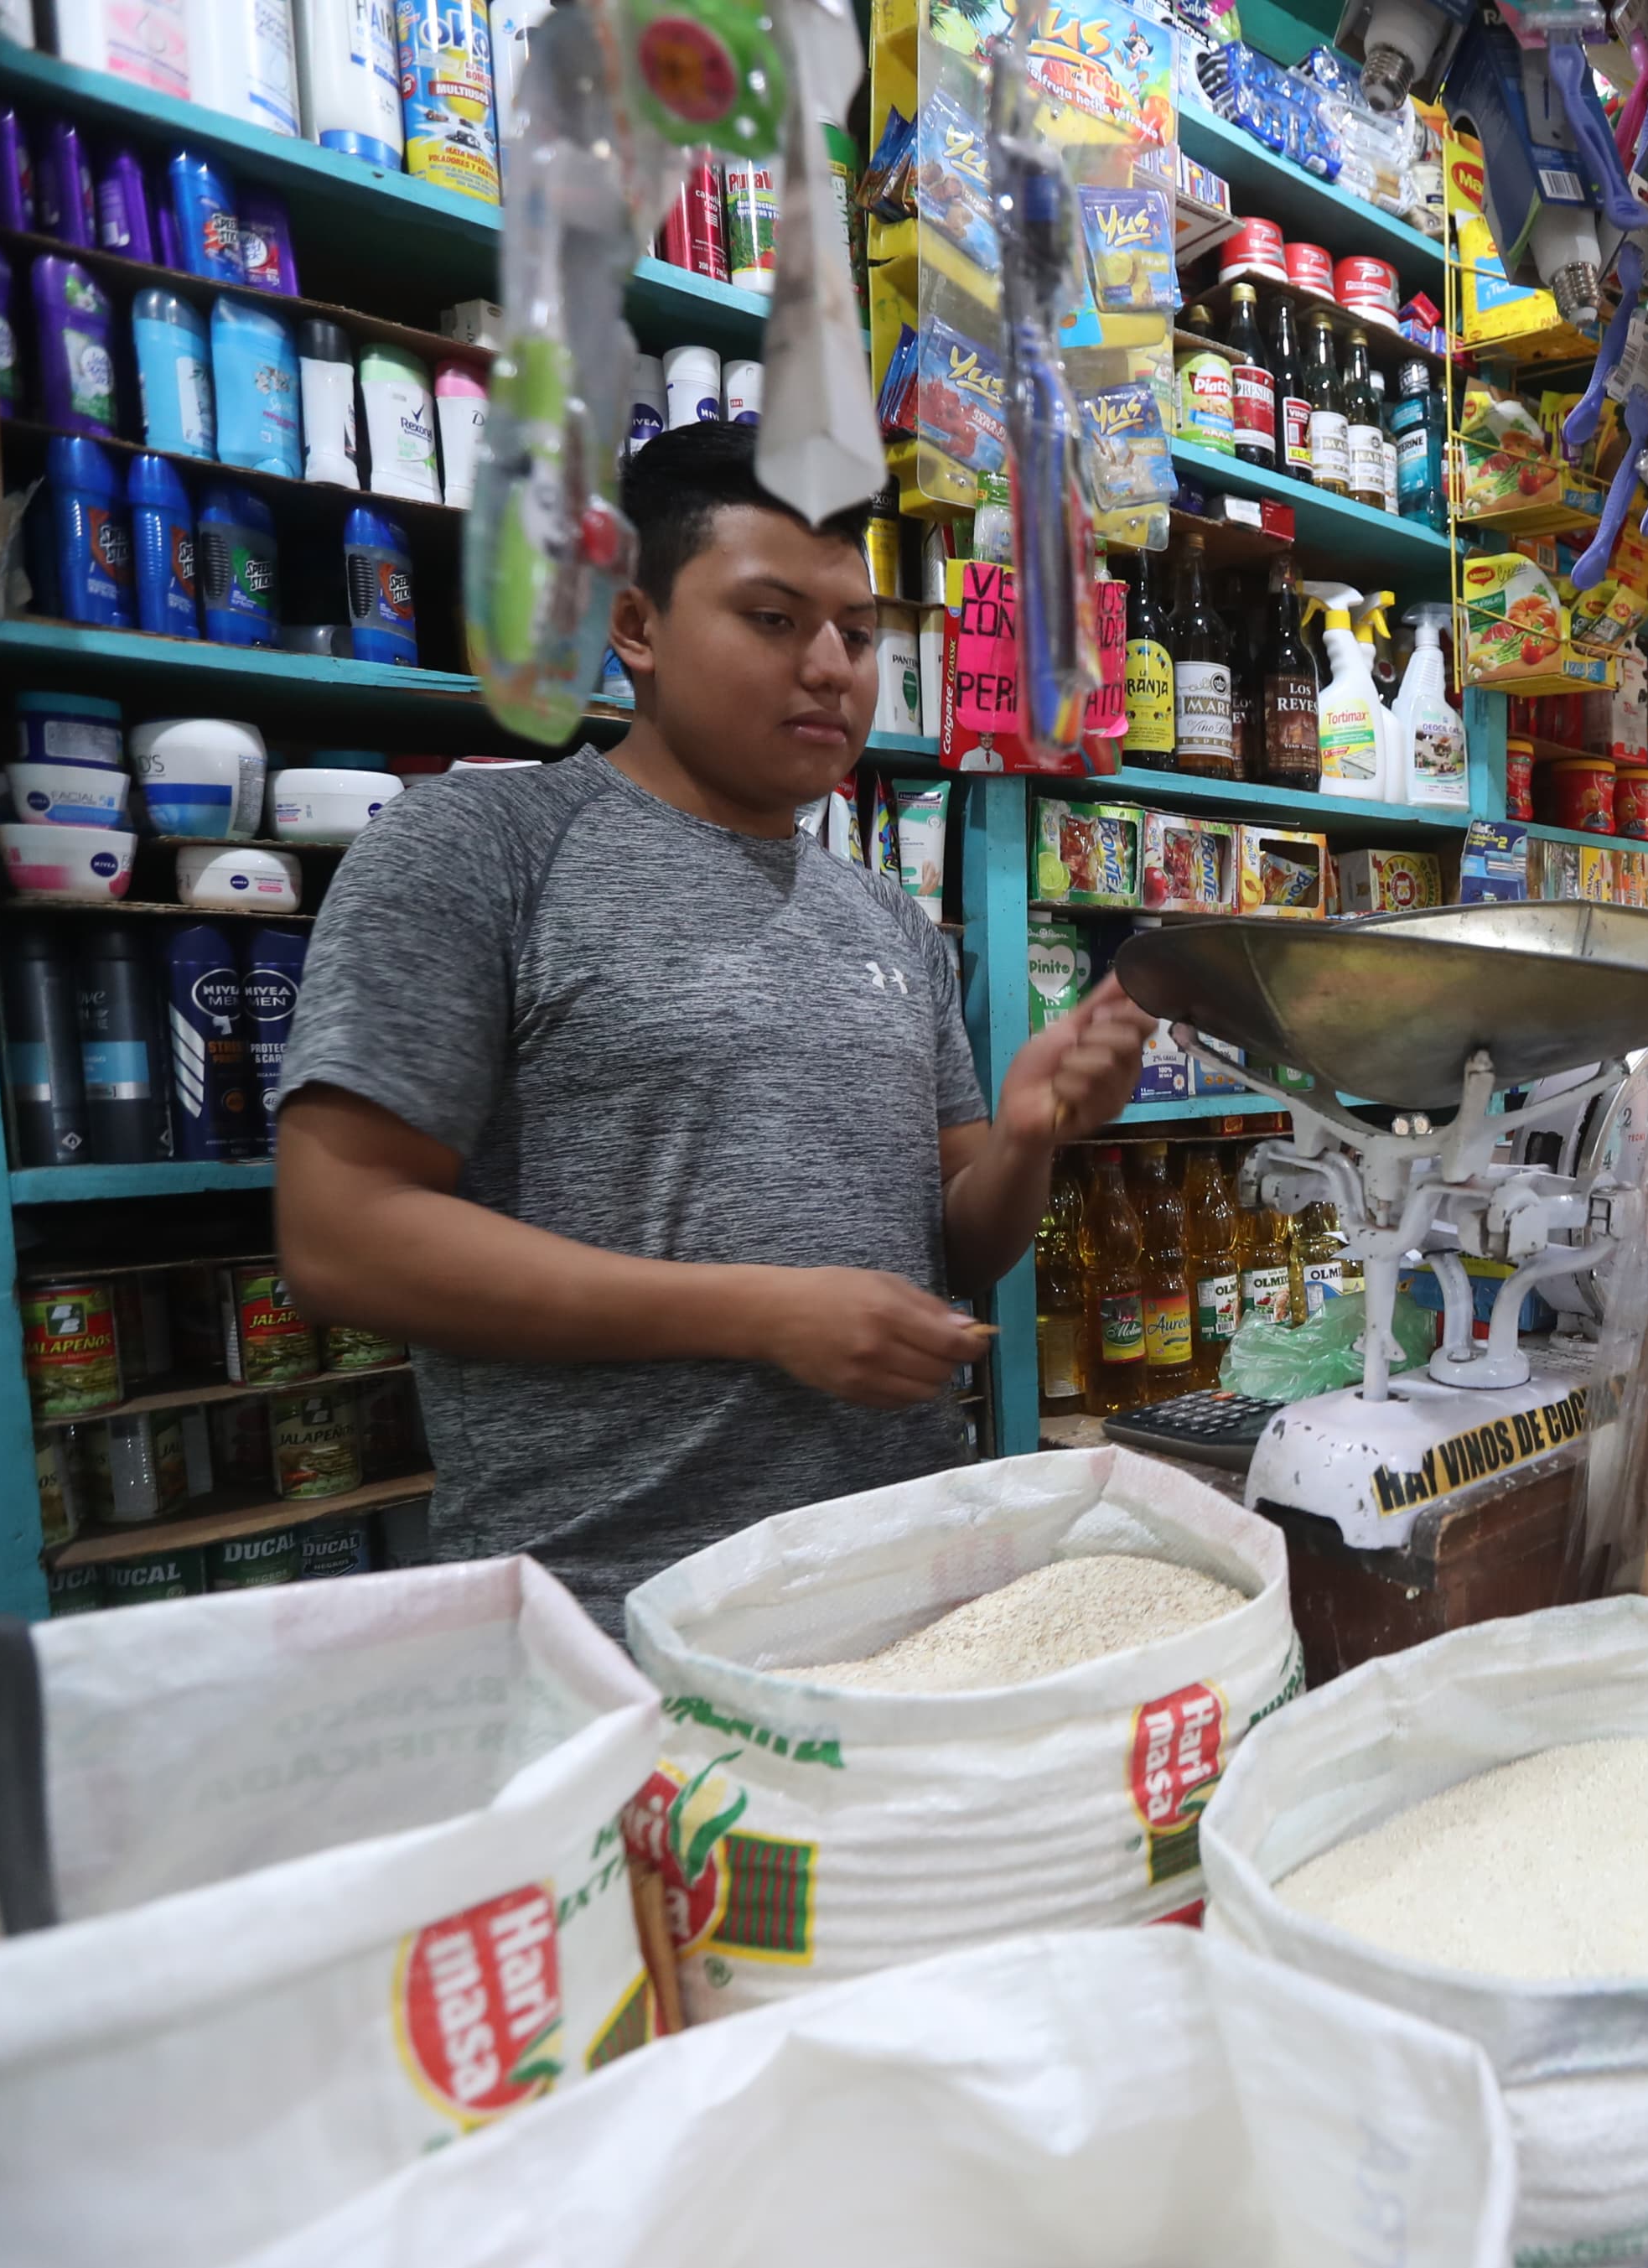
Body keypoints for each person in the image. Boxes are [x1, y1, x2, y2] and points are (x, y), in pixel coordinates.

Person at [274, 422, 1151, 1627]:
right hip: (612, 1614)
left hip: (900, 1593)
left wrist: (1030, 1136)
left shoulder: (889, 918)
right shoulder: (478, 851)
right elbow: (341, 1236)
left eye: (856, 630)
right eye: (773, 618)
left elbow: (954, 1251)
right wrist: (765, 1313)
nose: (834, 666)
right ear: (636, 626)